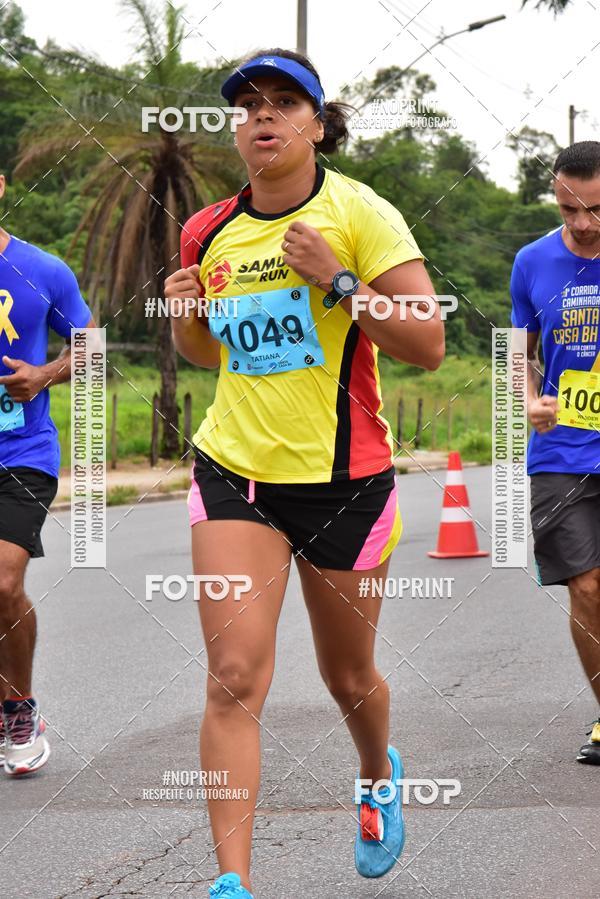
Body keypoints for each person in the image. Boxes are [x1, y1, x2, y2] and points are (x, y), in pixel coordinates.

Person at [166, 49, 444, 898]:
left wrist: (341, 278)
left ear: (317, 124)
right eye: (248, 105)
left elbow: (427, 343)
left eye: (286, 103)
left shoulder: (362, 213)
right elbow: (205, 351)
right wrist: (185, 318)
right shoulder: (206, 231)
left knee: (347, 675)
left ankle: (374, 772)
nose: (264, 116)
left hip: (343, 482)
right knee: (236, 677)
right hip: (234, 472)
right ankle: (232, 883)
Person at [0, 171, 94, 776]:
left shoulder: (44, 270)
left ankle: (17, 709)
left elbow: (92, 346)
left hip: (22, 452)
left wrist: (44, 376)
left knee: (3, 585)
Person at [511, 141, 600, 765]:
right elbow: (516, 350)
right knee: (588, 586)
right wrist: (527, 401)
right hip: (560, 451)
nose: (584, 224)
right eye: (569, 209)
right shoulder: (532, 261)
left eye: (596, 209)